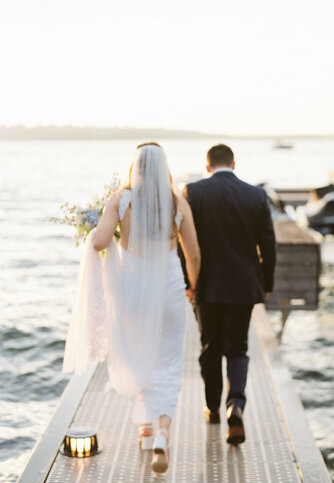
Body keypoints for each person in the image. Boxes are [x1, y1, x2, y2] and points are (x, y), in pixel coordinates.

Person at [63, 143, 200, 473]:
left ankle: (144, 430)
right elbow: (193, 254)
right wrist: (193, 287)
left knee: (137, 353)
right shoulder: (177, 202)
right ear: (163, 166)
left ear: (135, 166)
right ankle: (163, 433)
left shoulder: (121, 199)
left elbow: (98, 242)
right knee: (168, 362)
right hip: (168, 292)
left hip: (132, 292)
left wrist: (99, 228)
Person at [184, 144, 276, 445]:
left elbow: (184, 244)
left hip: (206, 286)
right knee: (237, 348)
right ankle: (235, 404)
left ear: (207, 165)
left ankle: (212, 408)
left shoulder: (193, 193)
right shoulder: (256, 195)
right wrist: (266, 283)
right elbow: (268, 245)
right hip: (243, 285)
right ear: (233, 164)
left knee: (209, 347)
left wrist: (188, 281)